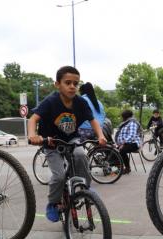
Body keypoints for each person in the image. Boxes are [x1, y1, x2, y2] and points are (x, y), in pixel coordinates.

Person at [28, 66, 107, 222]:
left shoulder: (80, 103)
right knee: (58, 177)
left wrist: (101, 136)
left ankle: (86, 188)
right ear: (57, 84)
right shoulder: (50, 101)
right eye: (68, 82)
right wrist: (32, 135)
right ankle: (53, 203)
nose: (72, 86)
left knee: (80, 155)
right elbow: (33, 119)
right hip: (51, 142)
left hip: (71, 139)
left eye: (75, 83)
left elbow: (93, 121)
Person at [114, 110, 142, 174]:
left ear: (126, 117)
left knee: (122, 150)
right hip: (125, 143)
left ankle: (127, 168)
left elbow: (132, 135)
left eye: (122, 117)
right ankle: (120, 167)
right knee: (114, 150)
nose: (122, 118)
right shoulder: (126, 123)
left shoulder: (133, 123)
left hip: (133, 143)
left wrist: (124, 143)